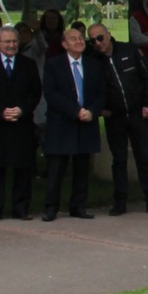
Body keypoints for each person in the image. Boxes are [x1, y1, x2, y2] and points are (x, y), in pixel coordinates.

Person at [89, 24, 148, 215]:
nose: (98, 43)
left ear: (108, 34)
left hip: (138, 113)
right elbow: (91, 89)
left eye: (100, 37)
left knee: (143, 157)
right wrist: (101, 110)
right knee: (119, 159)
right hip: (115, 117)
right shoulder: (93, 61)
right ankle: (120, 201)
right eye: (93, 40)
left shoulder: (129, 50)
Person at [0, 23, 42, 220]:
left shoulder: (28, 64)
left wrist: (20, 110)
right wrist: (0, 111)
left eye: (14, 41)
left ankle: (21, 208)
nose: (11, 45)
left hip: (21, 123)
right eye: (7, 42)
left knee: (22, 168)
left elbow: (34, 92)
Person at [40, 27, 106, 220]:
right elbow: (51, 94)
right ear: (64, 44)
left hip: (86, 121)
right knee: (57, 167)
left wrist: (92, 112)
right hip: (62, 121)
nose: (79, 41)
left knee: (82, 167)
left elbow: (101, 93)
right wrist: (75, 110)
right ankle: (51, 207)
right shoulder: (53, 65)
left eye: (80, 38)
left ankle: (78, 206)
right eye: (73, 39)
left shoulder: (94, 65)